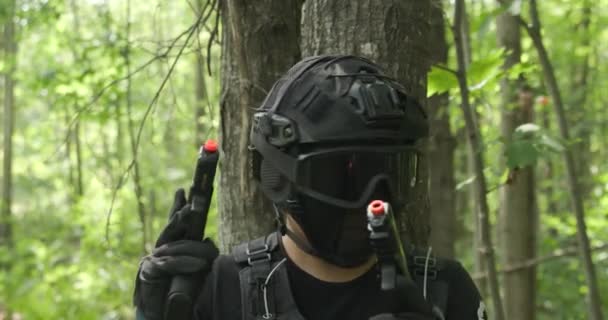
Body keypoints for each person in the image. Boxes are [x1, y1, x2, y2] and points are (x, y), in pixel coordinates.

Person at [134, 55, 487, 320]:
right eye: (340, 175)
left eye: (386, 173)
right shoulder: (224, 289)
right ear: (280, 178)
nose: (370, 197)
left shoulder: (441, 290)